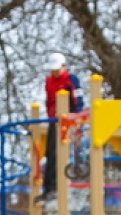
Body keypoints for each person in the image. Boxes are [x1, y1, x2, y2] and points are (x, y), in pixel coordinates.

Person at [38, 52, 84, 203]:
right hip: (55, 119)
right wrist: (51, 116)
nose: (55, 72)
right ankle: (49, 189)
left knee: (65, 153)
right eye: (52, 70)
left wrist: (76, 120)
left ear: (64, 67)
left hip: (68, 119)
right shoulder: (49, 81)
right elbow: (49, 101)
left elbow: (78, 100)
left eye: (57, 69)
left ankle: (63, 185)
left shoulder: (72, 80)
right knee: (50, 154)